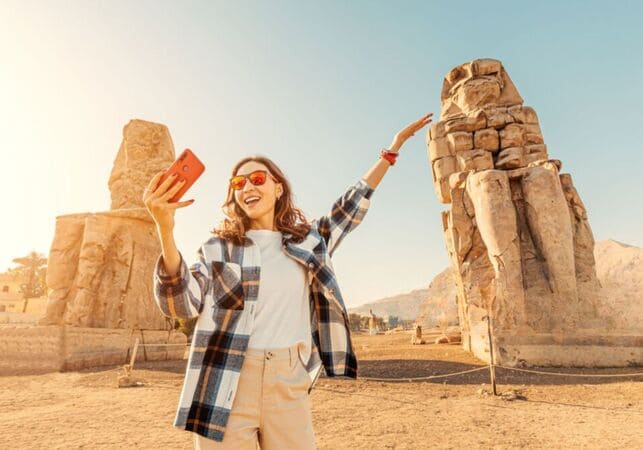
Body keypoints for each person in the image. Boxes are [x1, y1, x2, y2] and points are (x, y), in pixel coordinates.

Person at [143, 112, 433, 449]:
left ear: (278, 186)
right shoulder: (217, 249)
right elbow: (180, 303)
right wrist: (165, 228)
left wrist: (391, 150)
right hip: (225, 378)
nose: (247, 186)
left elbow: (349, 207)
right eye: (238, 184)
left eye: (257, 179)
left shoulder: (309, 241)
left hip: (287, 379)